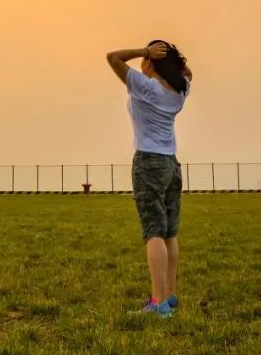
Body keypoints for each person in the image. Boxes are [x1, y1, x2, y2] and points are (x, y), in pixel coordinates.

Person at [106, 40, 192, 318]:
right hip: (171, 163)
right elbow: (188, 73)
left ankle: (159, 303)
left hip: (148, 162)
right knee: (169, 232)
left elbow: (113, 57)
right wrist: (171, 59)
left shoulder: (146, 87)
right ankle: (169, 295)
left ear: (151, 62)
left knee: (154, 232)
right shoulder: (180, 89)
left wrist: (145, 52)